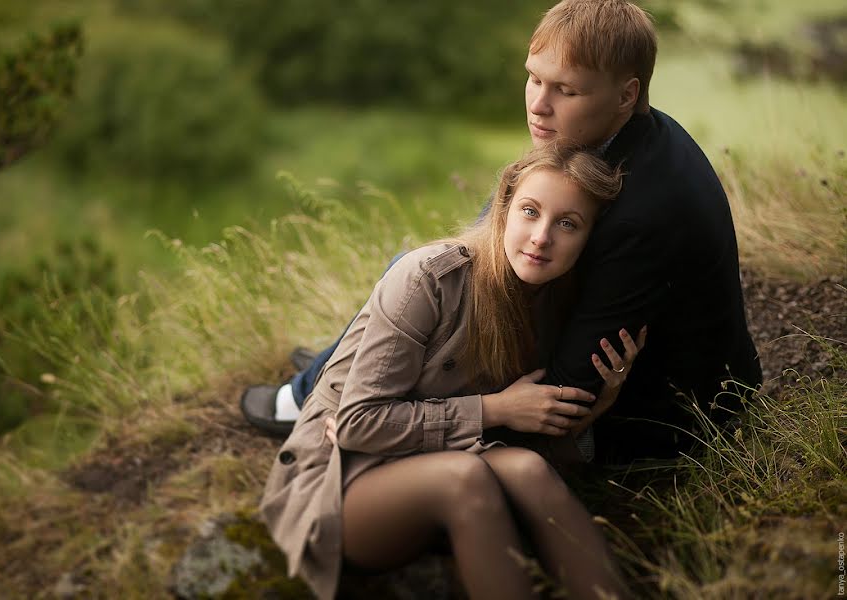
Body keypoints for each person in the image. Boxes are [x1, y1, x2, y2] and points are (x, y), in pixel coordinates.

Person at [242, 0, 762, 463]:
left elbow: (567, 391)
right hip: (614, 361)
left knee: (428, 275)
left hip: (661, 423)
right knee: (430, 268)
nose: (539, 103)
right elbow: (479, 249)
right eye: (535, 78)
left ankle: (322, 390)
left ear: (627, 95)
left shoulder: (643, 215)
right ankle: (348, 368)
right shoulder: (623, 131)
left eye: (566, 90)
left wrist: (423, 414)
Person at [261, 141, 640, 600]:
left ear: (588, 237)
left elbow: (540, 437)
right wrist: (493, 409)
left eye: (567, 223)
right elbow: (358, 425)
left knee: (529, 470)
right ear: (503, 209)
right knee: (462, 480)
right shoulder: (429, 278)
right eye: (529, 211)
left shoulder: (558, 301)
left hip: (448, 451)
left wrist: (601, 400)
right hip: (346, 477)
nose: (542, 236)